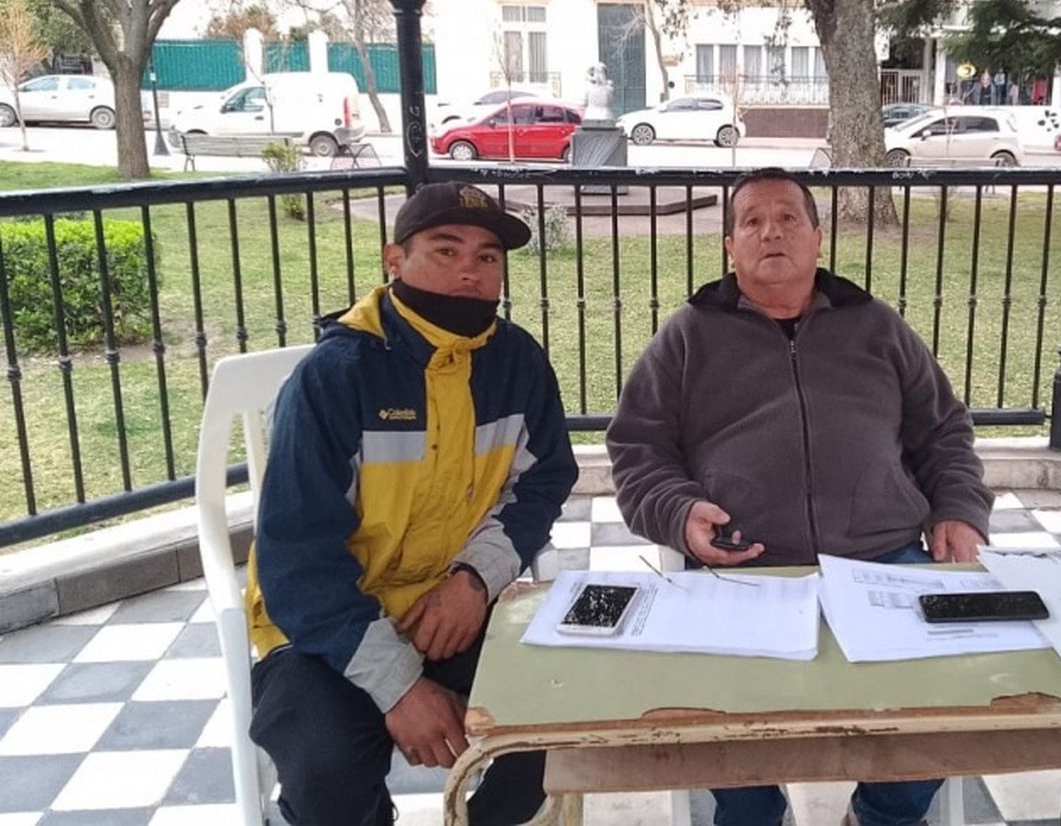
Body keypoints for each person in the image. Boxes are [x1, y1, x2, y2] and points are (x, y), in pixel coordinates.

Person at [607, 168, 994, 826]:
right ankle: (755, 814)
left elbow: (944, 429)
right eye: (752, 221)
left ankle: (882, 812)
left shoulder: (877, 327)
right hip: (745, 569)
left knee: (950, 691)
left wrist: (958, 506)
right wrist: (679, 511)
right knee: (713, 710)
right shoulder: (687, 336)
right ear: (730, 245)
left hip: (885, 558)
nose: (771, 232)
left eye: (788, 217)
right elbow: (638, 451)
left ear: (818, 236)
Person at [245, 181, 579, 826]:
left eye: (487, 257)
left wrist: (473, 581)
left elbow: (544, 481)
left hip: (451, 606)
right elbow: (298, 559)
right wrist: (399, 685)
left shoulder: (515, 360)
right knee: (327, 774)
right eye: (445, 249)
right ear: (394, 260)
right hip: (323, 628)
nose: (468, 271)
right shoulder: (335, 376)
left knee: (561, 716)